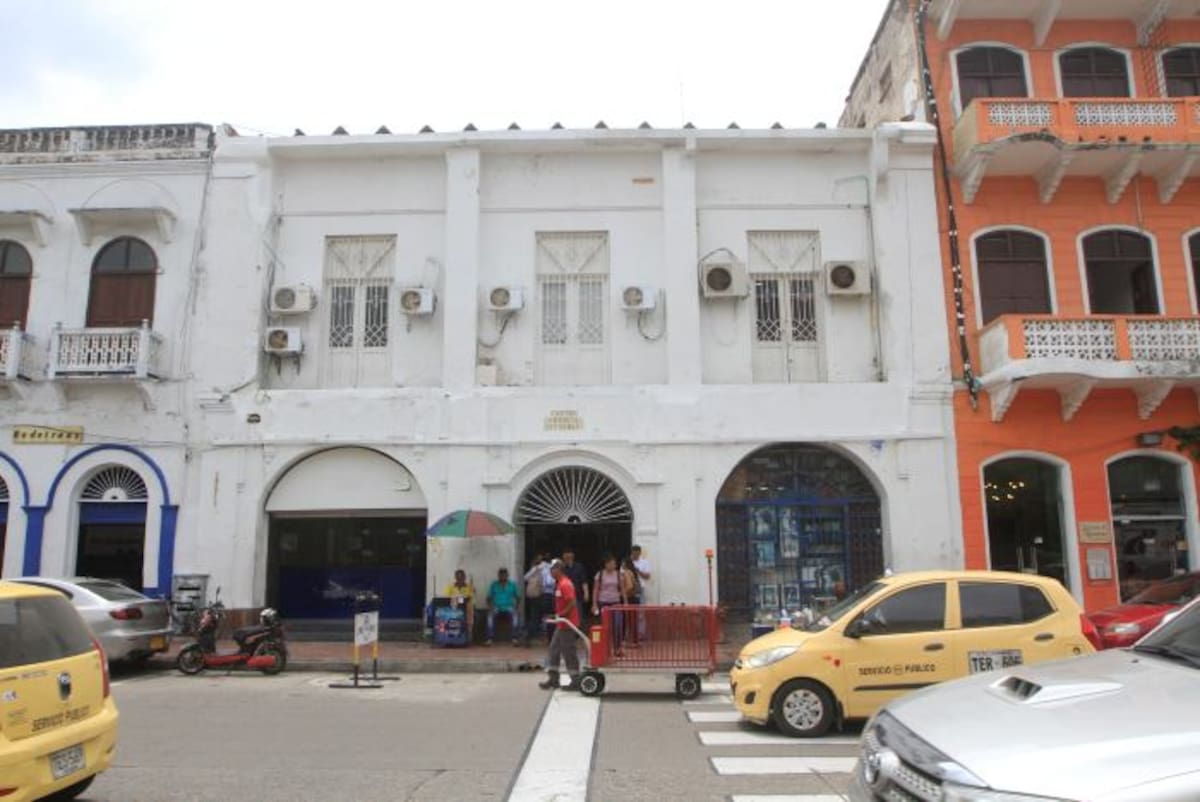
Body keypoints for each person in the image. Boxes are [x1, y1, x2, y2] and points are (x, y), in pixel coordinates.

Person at [539, 559, 581, 691]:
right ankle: (553, 679)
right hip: (562, 623)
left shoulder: (565, 584)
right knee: (554, 650)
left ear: (558, 569)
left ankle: (575, 680)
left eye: (552, 569)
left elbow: (572, 603)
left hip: (568, 624)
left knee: (568, 652)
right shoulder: (560, 584)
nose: (550, 572)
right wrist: (556, 616)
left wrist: (561, 615)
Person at [592, 553, 626, 650]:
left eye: (614, 564)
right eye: (610, 563)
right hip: (603, 602)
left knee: (618, 625)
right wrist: (594, 604)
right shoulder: (600, 574)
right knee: (605, 626)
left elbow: (622, 589)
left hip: (616, 602)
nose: (612, 566)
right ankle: (605, 647)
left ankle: (617, 647)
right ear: (605, 564)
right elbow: (595, 589)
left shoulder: (618, 574)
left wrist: (625, 602)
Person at [485, 567, 521, 645]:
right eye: (501, 575)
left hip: (509, 607)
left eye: (504, 575)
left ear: (507, 575)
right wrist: (490, 607)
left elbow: (518, 597)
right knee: (490, 617)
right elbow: (488, 598)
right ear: (498, 576)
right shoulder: (494, 585)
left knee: (515, 616)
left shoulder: (512, 585)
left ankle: (515, 638)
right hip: (497, 607)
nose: (503, 577)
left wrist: (516, 607)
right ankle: (489, 639)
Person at [443, 569, 475, 642]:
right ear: (455, 578)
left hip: (466, 609)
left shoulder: (469, 587)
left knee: (470, 613)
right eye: (458, 577)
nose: (460, 579)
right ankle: (450, 638)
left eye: (462, 577)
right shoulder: (450, 587)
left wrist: (458, 600)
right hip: (453, 609)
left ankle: (467, 638)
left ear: (464, 577)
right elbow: (447, 599)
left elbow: (469, 599)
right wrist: (460, 600)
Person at [561, 548, 591, 621]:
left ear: (572, 555)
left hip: (577, 596)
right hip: (564, 598)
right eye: (566, 554)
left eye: (569, 554)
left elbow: (584, 581)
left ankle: (577, 631)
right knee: (566, 618)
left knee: (578, 617)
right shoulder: (561, 568)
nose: (568, 556)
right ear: (563, 556)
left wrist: (586, 593)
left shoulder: (579, 567)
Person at [523, 552, 546, 643]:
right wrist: (536, 569)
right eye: (538, 559)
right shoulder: (534, 569)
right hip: (535, 596)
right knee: (535, 616)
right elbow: (525, 578)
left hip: (541, 595)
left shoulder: (544, 568)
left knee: (539, 616)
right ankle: (529, 635)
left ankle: (534, 633)